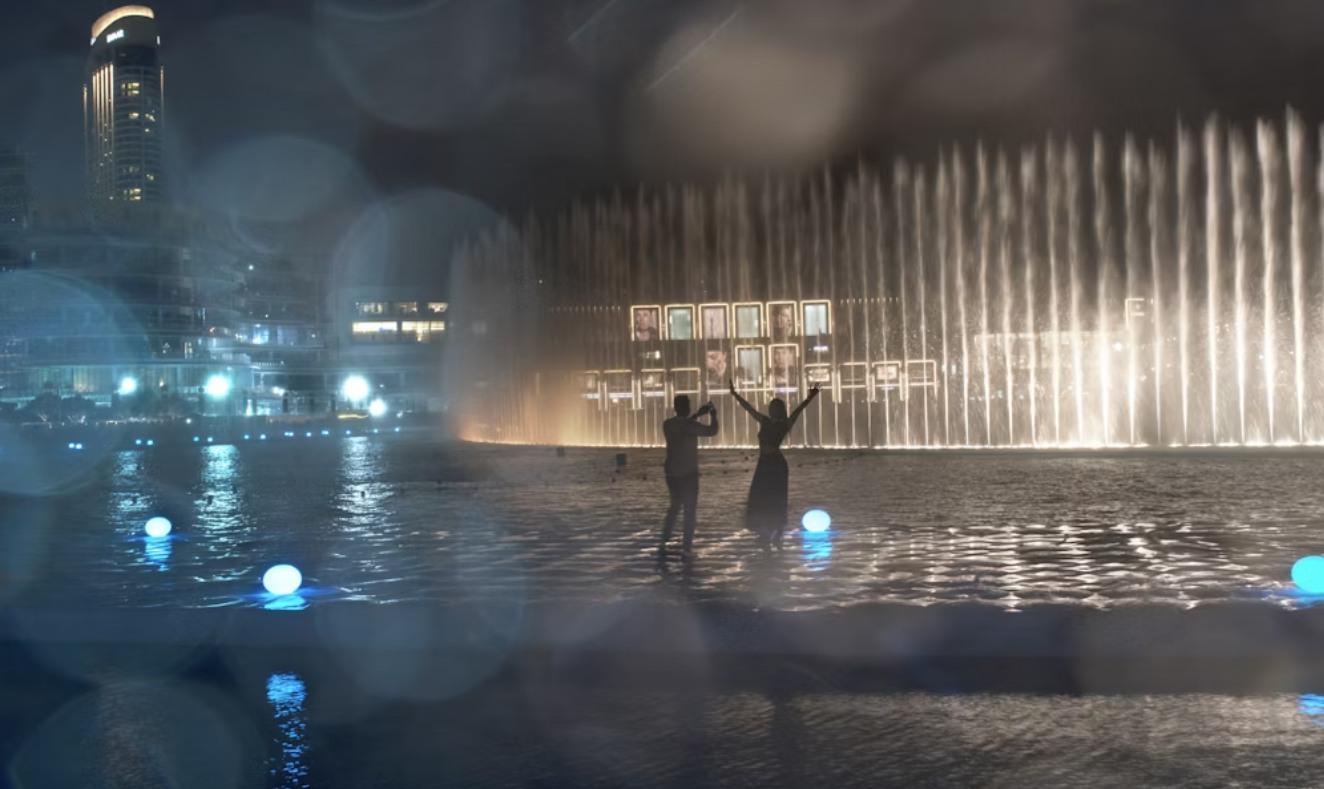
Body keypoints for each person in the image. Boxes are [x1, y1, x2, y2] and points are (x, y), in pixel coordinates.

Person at [730, 379, 820, 550]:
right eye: (771, 407)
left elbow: (799, 410)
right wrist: (735, 394)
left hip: (776, 465)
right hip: (763, 464)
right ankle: (765, 531)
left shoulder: (785, 424)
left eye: (774, 408)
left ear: (779, 411)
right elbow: (749, 409)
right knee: (760, 497)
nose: (771, 410)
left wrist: (810, 397)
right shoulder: (765, 421)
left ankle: (777, 532)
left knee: (776, 499)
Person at [660, 394, 719, 558]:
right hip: (688, 474)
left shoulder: (667, 424)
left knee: (674, 506)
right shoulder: (690, 425)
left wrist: (697, 415)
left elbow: (684, 426)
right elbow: (712, 431)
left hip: (671, 473)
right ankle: (686, 547)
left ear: (675, 407)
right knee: (689, 511)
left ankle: (664, 539)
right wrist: (713, 415)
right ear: (686, 407)